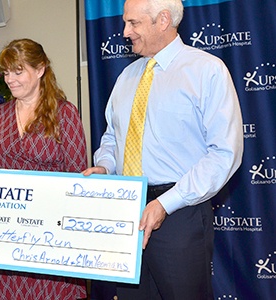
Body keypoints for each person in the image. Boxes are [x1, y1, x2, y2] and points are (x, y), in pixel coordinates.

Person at [83, 0, 243, 299]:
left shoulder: (206, 71)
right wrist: (105, 166)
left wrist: (166, 203)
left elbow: (224, 153)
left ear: (163, 20)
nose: (125, 31)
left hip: (179, 214)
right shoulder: (126, 77)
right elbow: (112, 138)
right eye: (125, 23)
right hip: (127, 212)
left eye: (133, 23)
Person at [0, 38, 88, 300]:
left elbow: (77, 179)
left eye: (18, 71)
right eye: (6, 73)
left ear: (40, 70)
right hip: (4, 235)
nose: (10, 79)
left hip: (50, 237)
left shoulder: (65, 114)